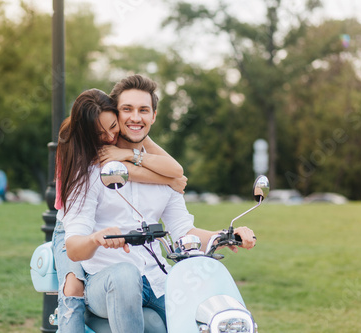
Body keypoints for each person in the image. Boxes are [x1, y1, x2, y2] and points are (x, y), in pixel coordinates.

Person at [61, 75, 257, 332]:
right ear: (115, 115)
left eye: (143, 110)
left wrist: (227, 235)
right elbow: (74, 246)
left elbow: (183, 231)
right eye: (127, 109)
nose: (135, 117)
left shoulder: (165, 176)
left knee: (204, 318)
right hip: (105, 280)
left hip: (157, 278)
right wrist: (96, 238)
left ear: (153, 115)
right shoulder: (89, 171)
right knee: (125, 275)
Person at [52, 88, 188, 332]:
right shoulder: (77, 145)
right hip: (67, 225)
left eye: (113, 126)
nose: (109, 136)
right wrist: (165, 180)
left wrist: (164, 176)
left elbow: (175, 169)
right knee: (73, 288)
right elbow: (111, 173)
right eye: (100, 132)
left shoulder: (133, 135)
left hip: (118, 246)